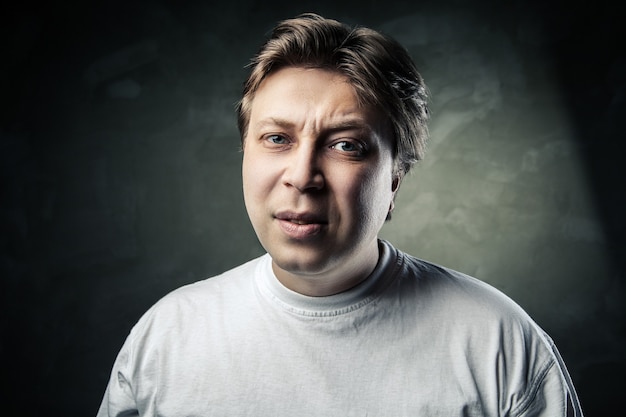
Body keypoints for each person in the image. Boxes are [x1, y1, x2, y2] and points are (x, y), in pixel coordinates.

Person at [97, 13, 583, 417]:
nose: (303, 175)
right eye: (277, 139)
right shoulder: (167, 338)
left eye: (345, 145)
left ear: (395, 178)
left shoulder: (498, 344)